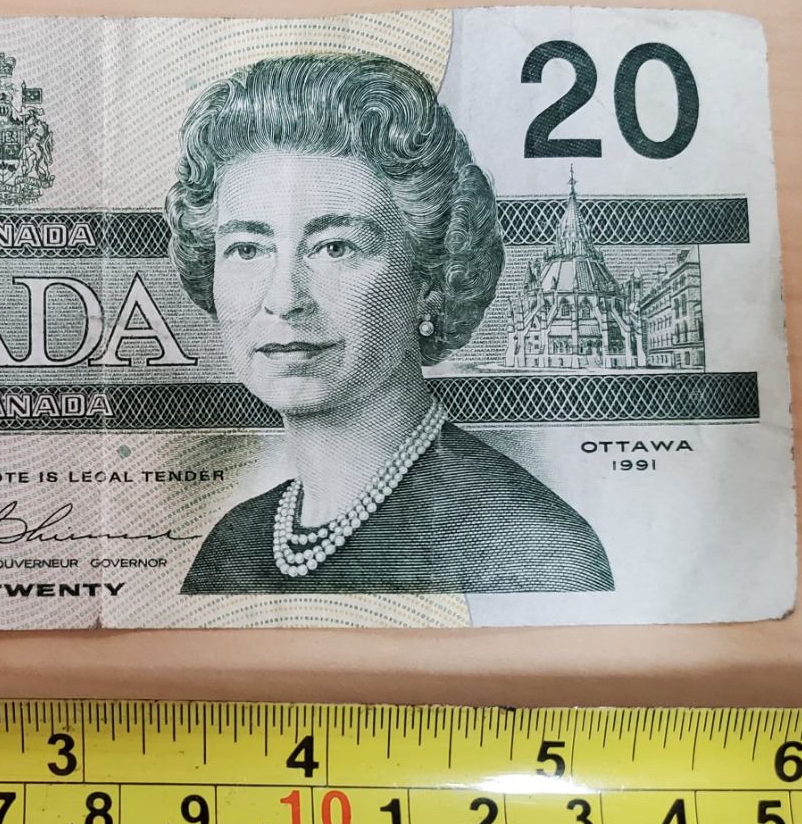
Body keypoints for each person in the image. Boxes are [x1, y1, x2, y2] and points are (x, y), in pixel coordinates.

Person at [165, 53, 612, 595]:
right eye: (246, 249)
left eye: (335, 247)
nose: (283, 299)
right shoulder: (233, 545)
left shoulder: (530, 545)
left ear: (430, 277)